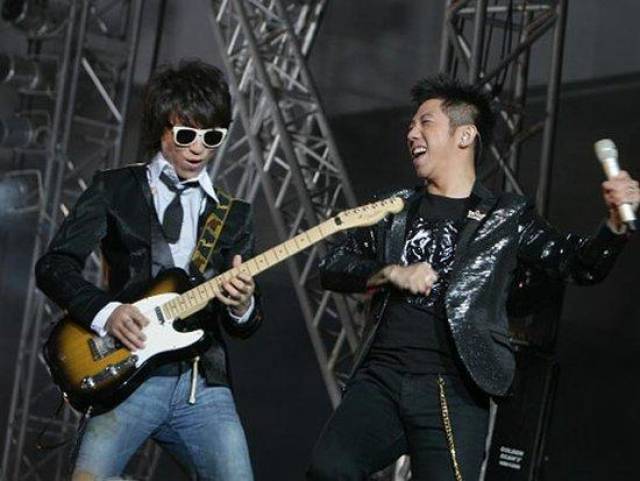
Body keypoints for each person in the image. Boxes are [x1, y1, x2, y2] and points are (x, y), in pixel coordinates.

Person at [307, 75, 639, 481]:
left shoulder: (506, 217)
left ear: (464, 135)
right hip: (381, 377)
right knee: (328, 470)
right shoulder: (392, 208)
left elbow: (579, 264)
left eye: (425, 122)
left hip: (452, 386)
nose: (412, 133)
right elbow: (333, 264)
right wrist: (388, 272)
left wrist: (613, 225)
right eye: (410, 125)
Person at [35, 60, 261, 481]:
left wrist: (243, 305)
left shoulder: (234, 215)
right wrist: (107, 313)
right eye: (186, 134)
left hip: (201, 384)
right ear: (162, 127)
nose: (199, 149)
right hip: (124, 373)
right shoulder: (114, 187)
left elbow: (245, 325)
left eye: (212, 137)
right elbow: (53, 266)